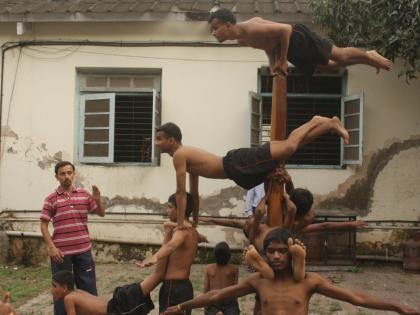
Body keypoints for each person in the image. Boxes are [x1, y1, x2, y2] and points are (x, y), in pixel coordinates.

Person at [162, 228, 420, 315]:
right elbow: (217, 295)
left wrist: (398, 307)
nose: (275, 256)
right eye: (270, 251)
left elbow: (357, 298)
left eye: (281, 251)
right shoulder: (258, 281)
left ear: (290, 253)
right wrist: (183, 307)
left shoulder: (309, 282)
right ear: (264, 255)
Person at [155, 115, 349, 228]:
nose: (156, 143)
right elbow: (193, 193)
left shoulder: (180, 155)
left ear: (171, 140)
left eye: (159, 138)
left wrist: (181, 225)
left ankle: (317, 121)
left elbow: (181, 193)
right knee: (289, 150)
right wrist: (194, 219)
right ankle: (327, 127)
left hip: (237, 163)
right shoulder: (183, 156)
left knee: (289, 147)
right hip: (238, 172)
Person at [208, 8, 392, 76]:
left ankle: (368, 54)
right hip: (286, 48)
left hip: (296, 36)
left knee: (339, 54)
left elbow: (285, 30)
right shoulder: (242, 41)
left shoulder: (251, 28)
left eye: (215, 28)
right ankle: (364, 60)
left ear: (228, 25)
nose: (214, 33)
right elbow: (268, 47)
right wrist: (274, 65)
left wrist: (281, 60)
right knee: (328, 67)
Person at [40, 161, 106, 315]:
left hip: (83, 251)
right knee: (61, 292)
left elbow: (101, 213)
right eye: (62, 174)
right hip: (61, 255)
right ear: (56, 176)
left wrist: (97, 199)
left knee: (88, 289)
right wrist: (51, 248)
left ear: (74, 174)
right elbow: (43, 226)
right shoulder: (51, 199)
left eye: (69, 173)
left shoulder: (84, 195)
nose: (66, 176)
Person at [136, 193, 199, 315]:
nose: (167, 211)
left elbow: (172, 245)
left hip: (173, 288)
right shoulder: (193, 231)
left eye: (170, 207)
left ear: (180, 209)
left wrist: (155, 257)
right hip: (186, 287)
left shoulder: (180, 232)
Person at [204, 242, 240, 315]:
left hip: (214, 301)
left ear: (215, 255)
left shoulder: (209, 269)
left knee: (211, 309)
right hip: (229, 302)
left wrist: (206, 308)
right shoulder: (234, 270)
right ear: (228, 255)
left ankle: (217, 312)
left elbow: (206, 290)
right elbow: (235, 291)